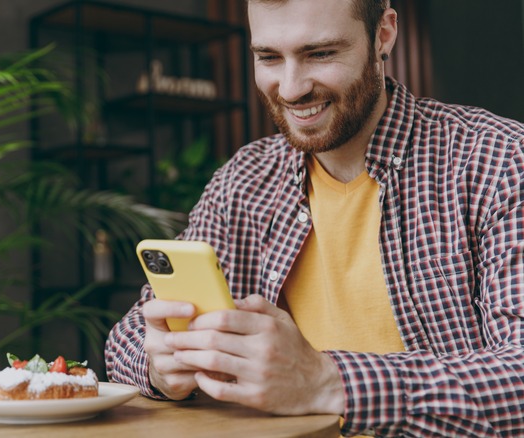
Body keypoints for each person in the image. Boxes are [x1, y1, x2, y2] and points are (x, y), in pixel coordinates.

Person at [104, 0, 524, 436]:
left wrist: (329, 381)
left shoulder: (499, 163)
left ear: (383, 33)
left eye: (320, 53)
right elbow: (131, 332)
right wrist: (159, 365)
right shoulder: (244, 179)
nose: (289, 89)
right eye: (268, 57)